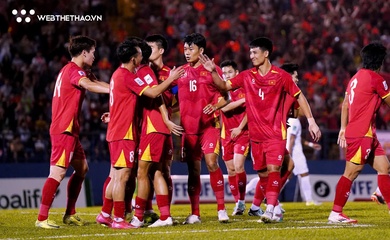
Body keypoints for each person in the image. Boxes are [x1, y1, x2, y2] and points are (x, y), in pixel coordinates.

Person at [199, 37, 321, 223]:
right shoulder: (247, 75)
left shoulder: (281, 76)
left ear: (266, 53)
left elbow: (300, 96)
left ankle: (271, 209)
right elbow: (224, 86)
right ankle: (269, 207)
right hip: (255, 136)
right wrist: (212, 72)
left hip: (274, 133)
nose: (251, 56)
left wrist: (311, 121)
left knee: (274, 169)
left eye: (255, 52)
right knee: (263, 174)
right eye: (250, 53)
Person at [35, 35, 110, 229]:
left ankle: (70, 213)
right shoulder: (74, 72)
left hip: (70, 129)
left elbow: (97, 82)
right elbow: (88, 85)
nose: (95, 56)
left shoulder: (73, 69)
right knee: (57, 173)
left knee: (82, 169)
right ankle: (42, 218)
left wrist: (115, 88)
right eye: (93, 52)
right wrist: (114, 91)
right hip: (63, 129)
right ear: (84, 52)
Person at [328, 42, 390, 224]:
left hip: (366, 133)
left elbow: (345, 104)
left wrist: (342, 127)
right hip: (362, 134)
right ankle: (336, 213)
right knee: (351, 173)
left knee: (384, 168)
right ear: (380, 61)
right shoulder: (376, 79)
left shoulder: (355, 77)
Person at [130, 40, 183, 228]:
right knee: (158, 171)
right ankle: (164, 215)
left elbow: (170, 96)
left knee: (144, 172)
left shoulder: (160, 73)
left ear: (161, 50)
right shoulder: (149, 71)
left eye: (151, 48)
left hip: (154, 126)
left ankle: (139, 216)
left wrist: (169, 113)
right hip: (158, 126)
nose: (147, 51)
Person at [178, 33, 230, 224]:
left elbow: (226, 96)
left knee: (211, 162)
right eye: (185, 49)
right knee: (193, 171)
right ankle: (195, 213)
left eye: (191, 49)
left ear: (201, 51)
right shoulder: (180, 73)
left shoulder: (212, 70)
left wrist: (216, 106)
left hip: (209, 126)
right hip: (188, 129)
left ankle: (221, 209)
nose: (187, 53)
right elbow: (174, 100)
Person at [281, 63, 322, 206]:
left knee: (291, 173)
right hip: (290, 150)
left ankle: (308, 200)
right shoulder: (293, 120)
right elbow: (291, 139)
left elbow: (297, 139)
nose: (297, 80)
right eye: (295, 76)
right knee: (282, 173)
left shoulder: (291, 112)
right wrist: (289, 153)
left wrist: (310, 144)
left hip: (292, 149)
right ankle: (264, 198)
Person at [215, 60, 249, 216]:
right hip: (226, 134)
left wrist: (240, 128)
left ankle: (242, 201)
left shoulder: (245, 88)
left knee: (238, 165)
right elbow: (225, 107)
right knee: (230, 169)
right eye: (224, 73)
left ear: (236, 73)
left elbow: (250, 112)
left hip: (242, 132)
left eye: (229, 72)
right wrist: (243, 100)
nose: (226, 75)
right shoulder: (222, 91)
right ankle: (237, 202)